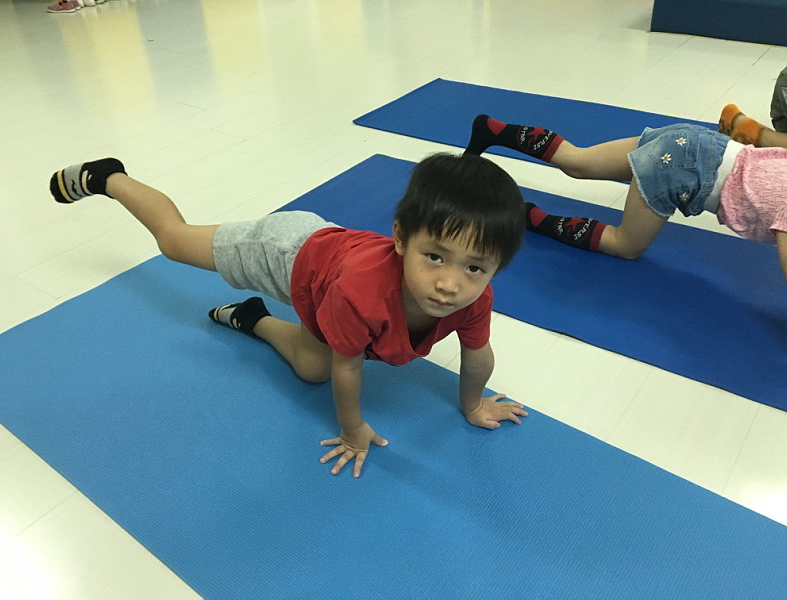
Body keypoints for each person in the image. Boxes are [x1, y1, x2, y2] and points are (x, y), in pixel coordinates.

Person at [48, 153, 529, 478]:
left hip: (327, 284)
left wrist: (473, 406)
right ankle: (109, 177)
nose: (450, 284)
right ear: (401, 238)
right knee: (175, 241)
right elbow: (349, 366)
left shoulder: (472, 297)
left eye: (474, 267)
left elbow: (477, 355)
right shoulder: (362, 295)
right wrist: (352, 429)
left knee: (311, 369)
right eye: (435, 257)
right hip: (288, 252)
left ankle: (251, 318)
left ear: (496, 268)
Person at [464, 115, 787, 282]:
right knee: (625, 245)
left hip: (699, 142)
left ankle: (492, 129)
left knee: (578, 161)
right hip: (679, 169)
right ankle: (528, 216)